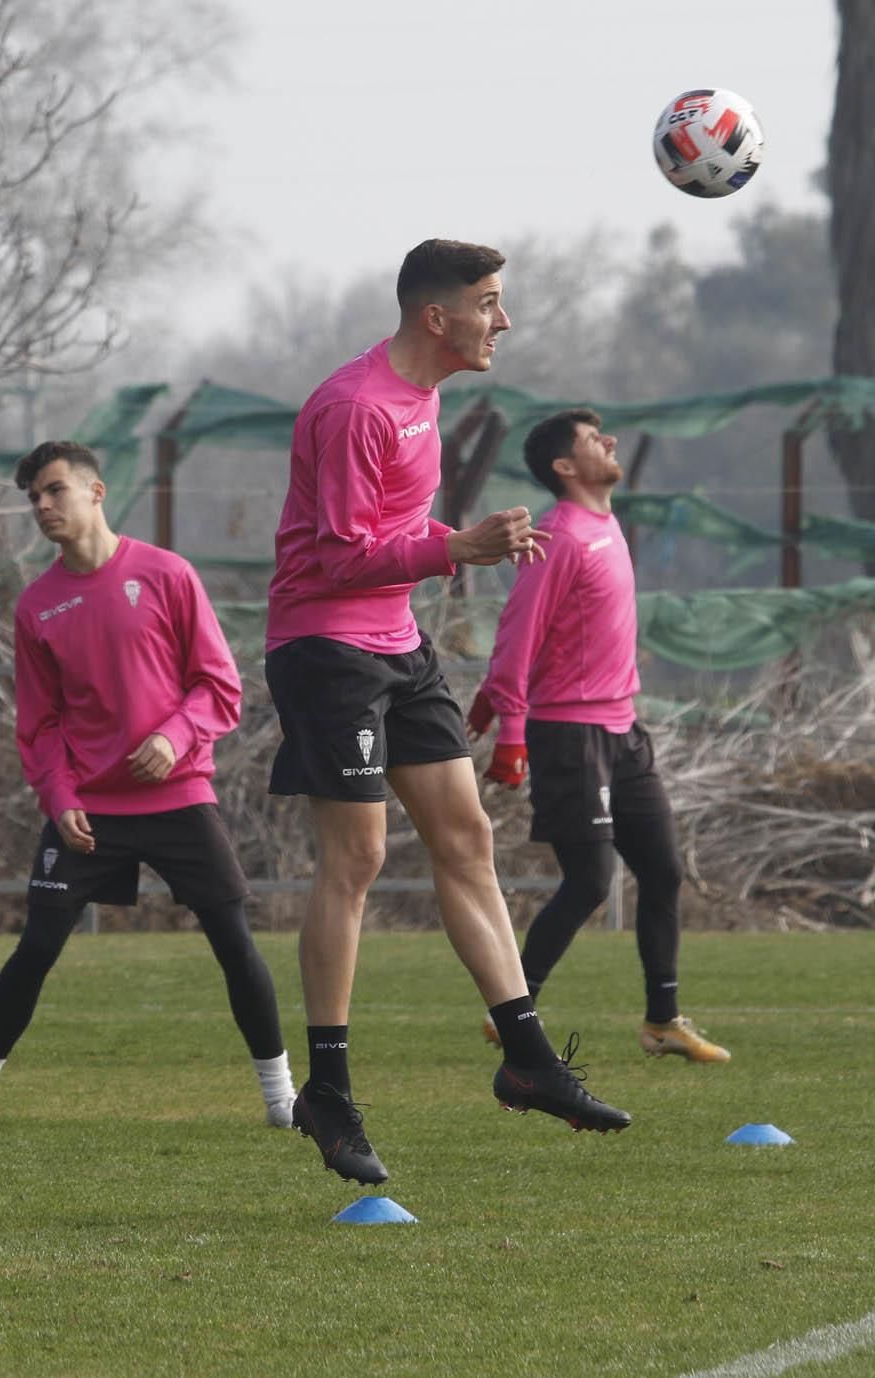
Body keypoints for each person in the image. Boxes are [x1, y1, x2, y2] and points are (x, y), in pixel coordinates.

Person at [264, 240, 632, 1186]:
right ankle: (330, 1095)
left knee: (467, 840)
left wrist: (461, 541)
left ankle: (526, 1058)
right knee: (359, 858)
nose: (501, 321)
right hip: (327, 650)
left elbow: (392, 536)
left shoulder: (424, 399)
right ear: (439, 317)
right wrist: (455, 549)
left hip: (396, 645)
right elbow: (340, 557)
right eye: (489, 303)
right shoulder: (354, 406)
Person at [0, 441, 297, 1129]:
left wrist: (171, 738)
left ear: (95, 492)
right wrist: (59, 800)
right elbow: (40, 725)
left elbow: (220, 686)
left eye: (54, 490)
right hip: (88, 810)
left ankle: (281, 1099)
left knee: (235, 944)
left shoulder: (166, 574)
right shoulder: (36, 606)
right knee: (36, 946)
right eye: (32, 496)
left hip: (179, 797)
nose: (41, 506)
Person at [467, 408, 730, 1064]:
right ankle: (513, 1011)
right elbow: (518, 628)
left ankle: (662, 1022)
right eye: (593, 440)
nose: (609, 443)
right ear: (565, 467)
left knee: (663, 872)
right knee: (589, 880)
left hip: (623, 730)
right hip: (568, 732)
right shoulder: (557, 535)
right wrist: (510, 728)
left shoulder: (607, 526)